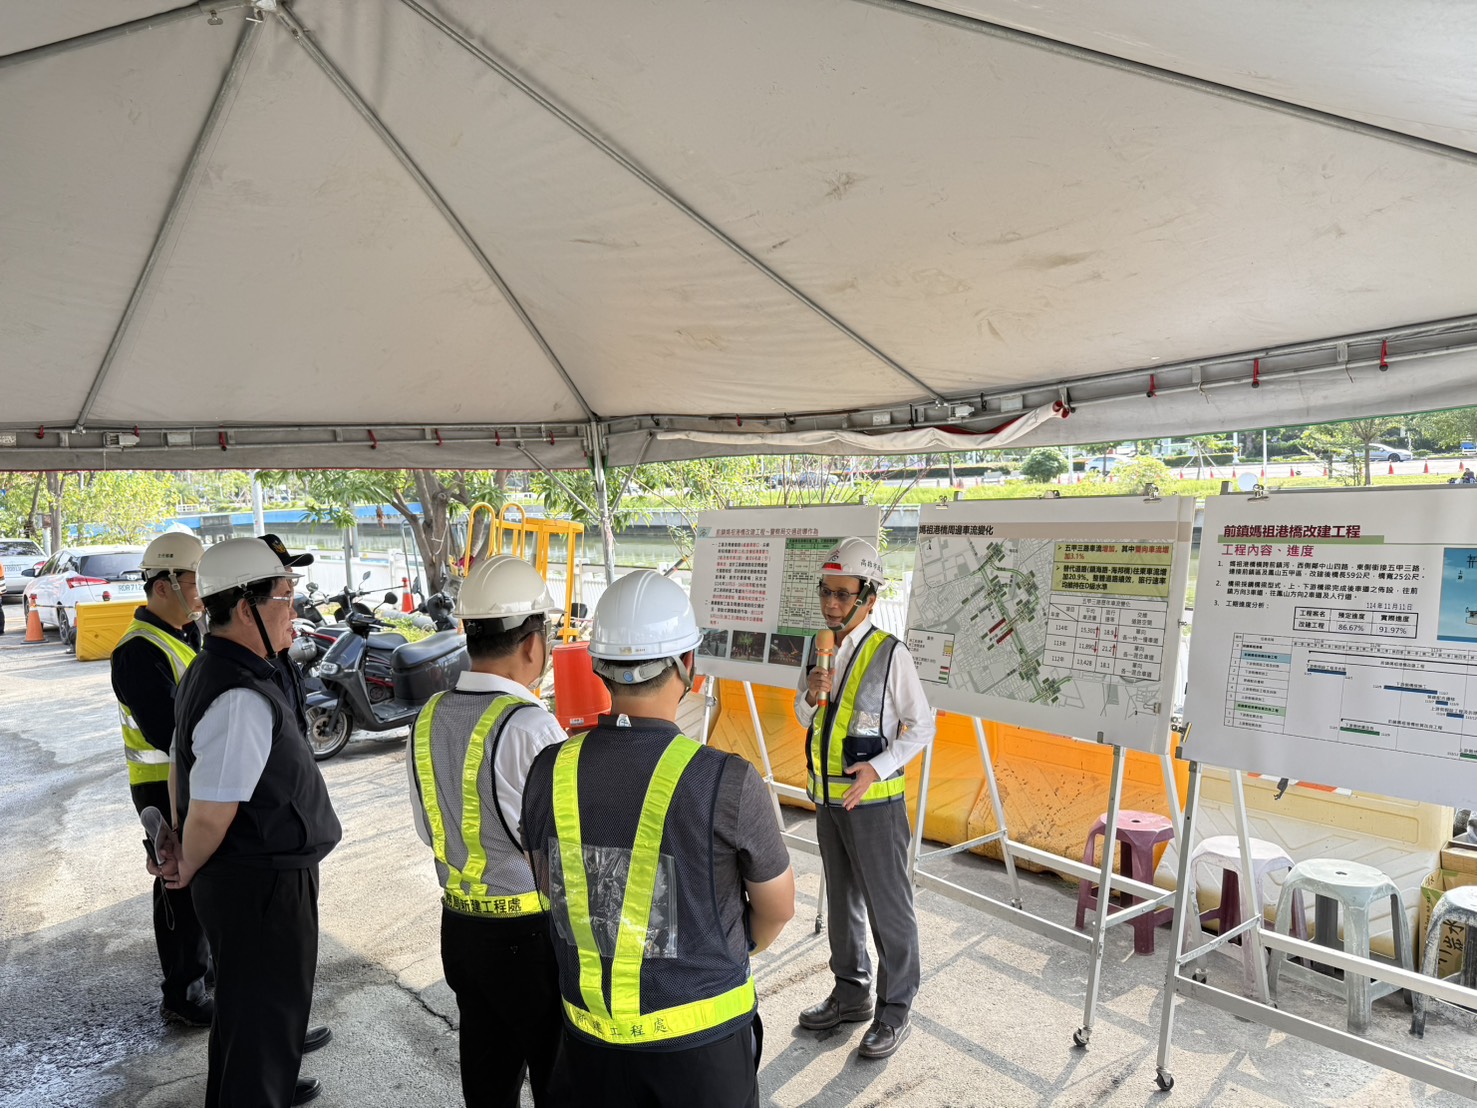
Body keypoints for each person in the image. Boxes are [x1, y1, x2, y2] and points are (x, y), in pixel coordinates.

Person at [522, 571, 795, 1108]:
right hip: (701, 1056)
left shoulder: (548, 769)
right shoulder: (727, 780)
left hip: (585, 1047)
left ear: (600, 667)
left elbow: (551, 888)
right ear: (687, 667)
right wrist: (735, 946)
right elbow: (777, 908)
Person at [153, 536, 341, 1107]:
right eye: (284, 596)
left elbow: (178, 776)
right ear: (243, 608)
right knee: (263, 1033)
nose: (295, 608)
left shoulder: (216, 669)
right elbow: (211, 809)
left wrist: (186, 852)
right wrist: (185, 861)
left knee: (248, 1025)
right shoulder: (238, 695)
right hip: (259, 886)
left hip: (250, 881)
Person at [407, 556, 567, 1107]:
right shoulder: (531, 725)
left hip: (460, 932)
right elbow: (561, 845)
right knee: (556, 1076)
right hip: (530, 939)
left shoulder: (427, 716)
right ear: (532, 644)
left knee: (486, 1075)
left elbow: (429, 830)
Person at [793, 538, 936, 1059]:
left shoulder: (890, 654)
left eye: (842, 594)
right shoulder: (820, 649)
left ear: (868, 598)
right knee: (842, 901)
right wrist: (811, 694)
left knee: (888, 908)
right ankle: (850, 993)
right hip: (829, 804)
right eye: (826, 592)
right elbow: (805, 718)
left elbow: (922, 728)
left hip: (874, 805)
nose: (831, 604)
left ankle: (894, 1010)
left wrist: (876, 769)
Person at [111, 532, 211, 1026]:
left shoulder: (185, 634)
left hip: (188, 779)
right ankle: (183, 993)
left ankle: (204, 976)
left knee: (201, 878)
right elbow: (166, 727)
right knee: (178, 882)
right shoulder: (138, 650)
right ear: (166, 583)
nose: (202, 591)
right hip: (159, 786)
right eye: (195, 581)